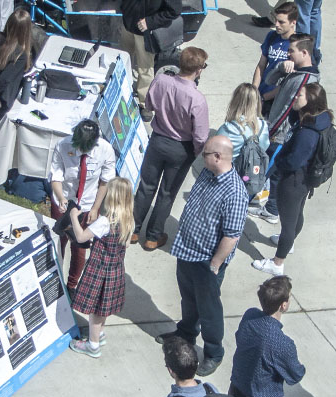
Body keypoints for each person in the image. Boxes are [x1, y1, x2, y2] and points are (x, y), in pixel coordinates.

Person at [156, 136, 248, 377]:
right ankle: (185, 333)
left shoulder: (235, 192)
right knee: (188, 299)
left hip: (207, 262)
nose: (202, 157)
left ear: (218, 157)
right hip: (187, 251)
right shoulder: (208, 174)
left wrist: (215, 264)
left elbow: (231, 235)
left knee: (209, 311)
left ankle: (213, 352)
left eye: (206, 153)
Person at [131, 47, 209, 251]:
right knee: (167, 193)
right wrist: (195, 151)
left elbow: (149, 104)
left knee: (146, 186)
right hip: (181, 149)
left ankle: (132, 229)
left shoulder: (161, 80)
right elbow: (200, 136)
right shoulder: (197, 99)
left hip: (157, 140)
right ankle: (153, 236)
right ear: (199, 70)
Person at [252, 83, 331, 276]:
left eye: (300, 96)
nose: (295, 98)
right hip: (304, 181)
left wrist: (279, 160)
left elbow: (294, 160)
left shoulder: (307, 134)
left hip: (293, 181)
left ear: (310, 102)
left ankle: (277, 263)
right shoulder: (319, 120)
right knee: (296, 215)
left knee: (288, 222)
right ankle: (289, 242)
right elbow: (294, 119)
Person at [249, 32, 319, 225]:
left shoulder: (306, 80)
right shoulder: (294, 72)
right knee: (274, 173)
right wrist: (281, 67)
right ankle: (271, 208)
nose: (288, 54)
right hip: (276, 131)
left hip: (280, 135)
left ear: (304, 53)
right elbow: (270, 80)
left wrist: (273, 133)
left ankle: (249, 203)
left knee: (262, 172)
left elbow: (289, 109)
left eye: (291, 51)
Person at [68, 177, 134, 358]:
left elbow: (81, 237)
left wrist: (74, 217)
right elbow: (126, 244)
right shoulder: (128, 220)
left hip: (99, 270)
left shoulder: (105, 222)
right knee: (104, 306)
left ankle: (93, 345)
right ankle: (100, 334)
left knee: (96, 310)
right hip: (115, 270)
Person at [49, 119, 116, 295]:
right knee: (58, 241)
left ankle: (72, 285)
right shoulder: (62, 145)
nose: (82, 151)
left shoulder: (106, 150)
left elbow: (105, 181)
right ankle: (55, 279)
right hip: (63, 202)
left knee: (79, 247)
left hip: (87, 205)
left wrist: (95, 208)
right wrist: (61, 198)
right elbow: (56, 177)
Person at [119, 0, 182, 122]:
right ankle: (120, 91)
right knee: (122, 61)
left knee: (145, 68)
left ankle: (145, 104)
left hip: (145, 32)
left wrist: (149, 22)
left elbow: (174, 10)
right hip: (127, 25)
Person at [252, 2, 297, 116]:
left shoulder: (297, 44)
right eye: (276, 20)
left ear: (293, 23)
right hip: (261, 93)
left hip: (278, 100)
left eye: (281, 22)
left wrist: (265, 97)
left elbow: (292, 81)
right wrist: (254, 91)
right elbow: (261, 66)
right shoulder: (271, 36)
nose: (276, 24)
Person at [216, 83, 270, 161]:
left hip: (229, 170)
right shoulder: (263, 126)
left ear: (235, 101)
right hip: (251, 170)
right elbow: (265, 146)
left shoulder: (228, 128)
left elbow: (215, 152)